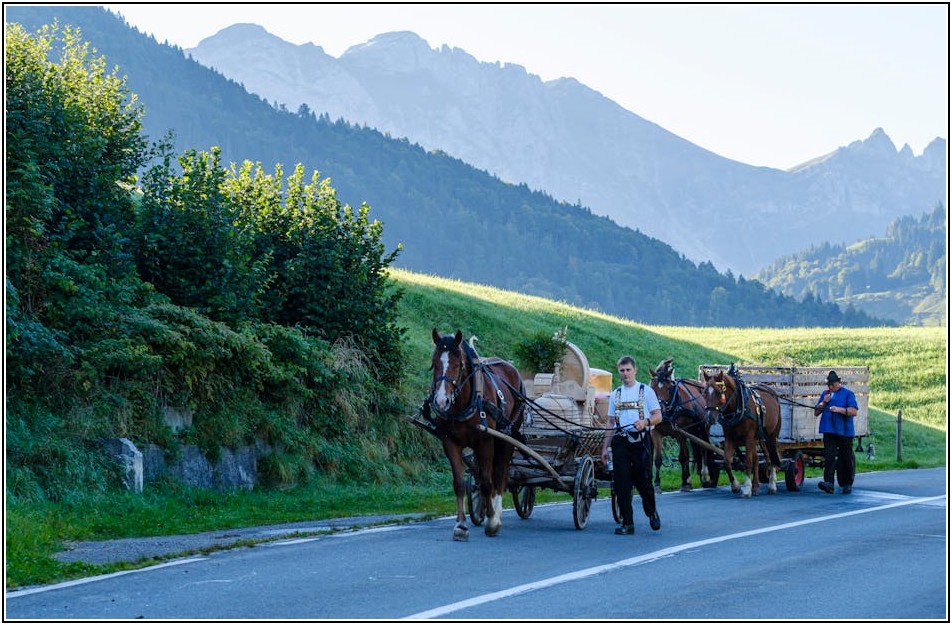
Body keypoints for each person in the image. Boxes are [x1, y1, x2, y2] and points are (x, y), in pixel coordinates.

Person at [600, 356, 663, 535]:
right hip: (620, 441)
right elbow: (610, 422)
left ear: (635, 370)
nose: (625, 373)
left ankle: (651, 512)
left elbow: (658, 416)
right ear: (619, 372)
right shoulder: (616, 394)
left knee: (644, 482)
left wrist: (645, 422)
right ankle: (628, 523)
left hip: (642, 441)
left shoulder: (646, 391)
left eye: (628, 370)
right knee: (621, 484)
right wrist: (605, 447)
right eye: (622, 370)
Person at [814, 370, 859, 494]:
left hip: (844, 432)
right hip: (829, 431)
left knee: (845, 457)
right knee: (829, 457)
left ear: (838, 383)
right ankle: (828, 483)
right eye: (829, 385)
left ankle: (847, 483)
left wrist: (838, 410)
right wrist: (824, 402)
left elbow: (853, 411)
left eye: (832, 385)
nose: (830, 387)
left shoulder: (848, 394)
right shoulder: (825, 394)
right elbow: (816, 412)